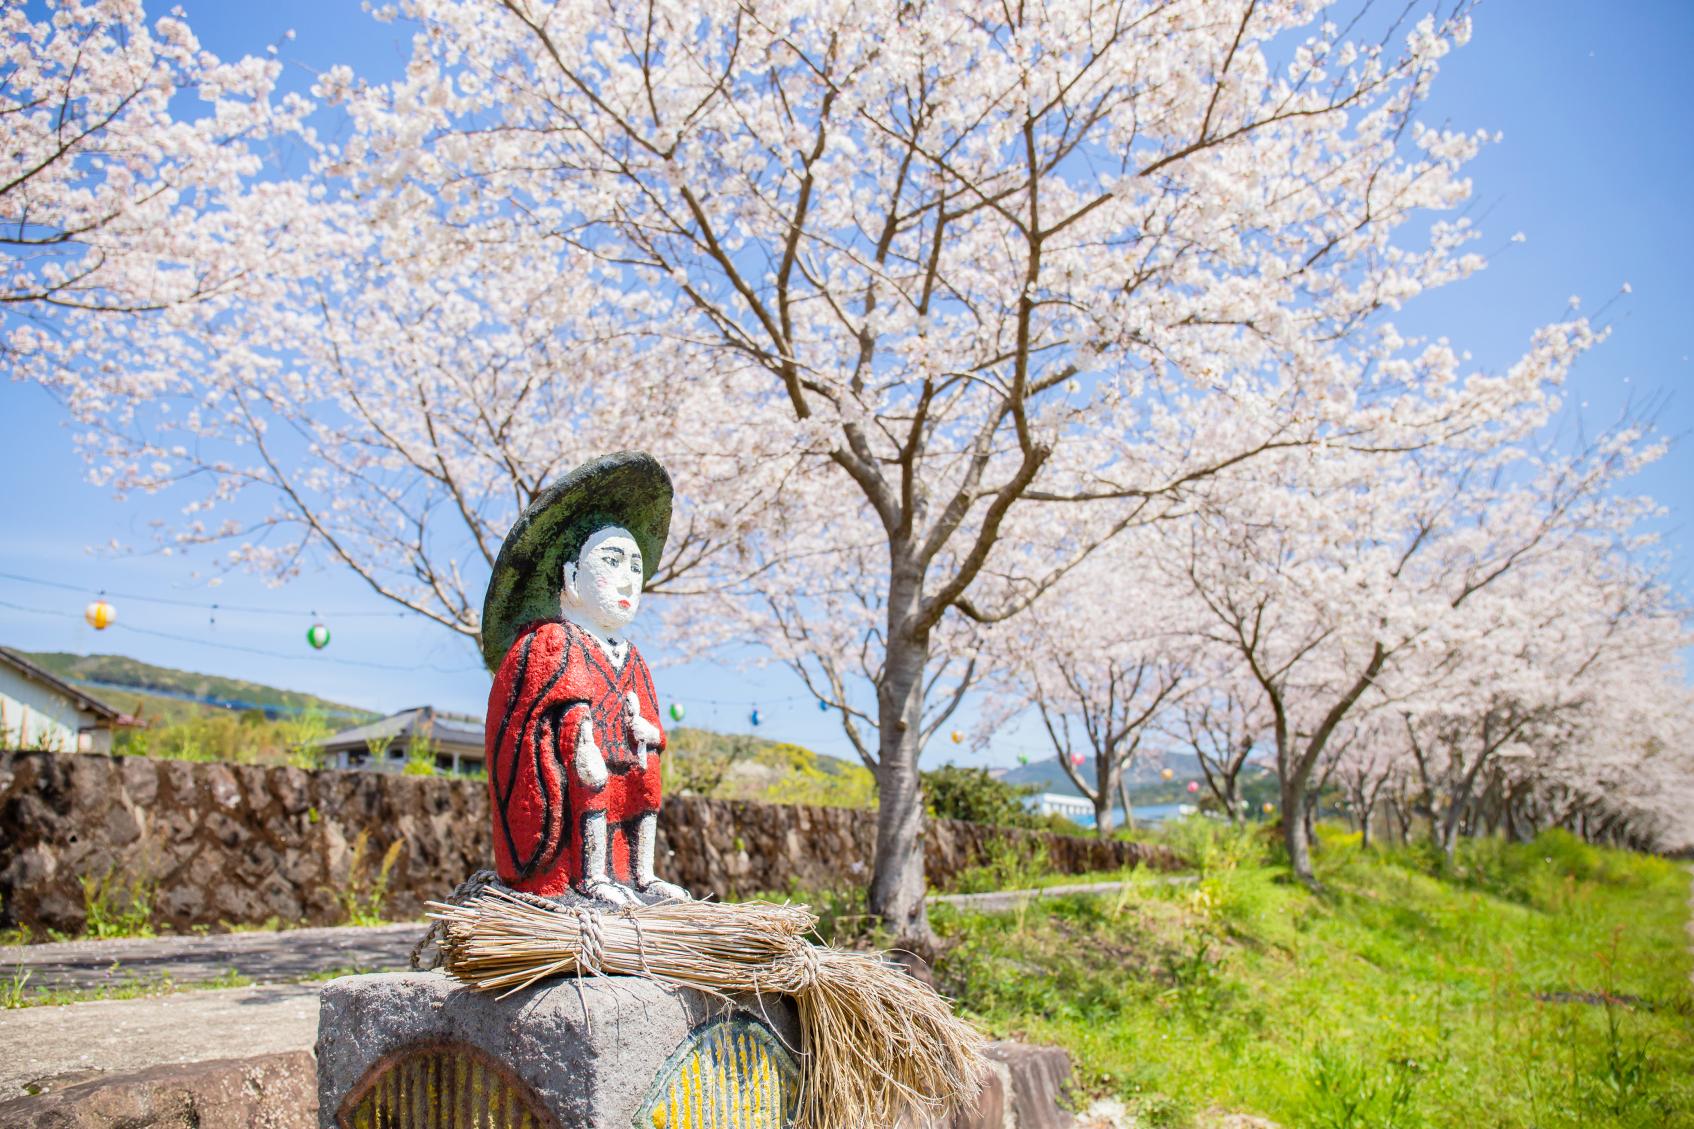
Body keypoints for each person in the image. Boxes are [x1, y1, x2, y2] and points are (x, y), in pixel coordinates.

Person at [480, 452, 691, 905]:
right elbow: (556, 717)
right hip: (584, 762)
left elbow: (653, 722)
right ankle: (589, 876)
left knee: (647, 776)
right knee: (590, 775)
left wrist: (649, 734)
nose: (628, 582)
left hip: (625, 756)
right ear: (571, 578)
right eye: (612, 562)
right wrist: (582, 744)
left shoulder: (630, 654)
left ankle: (640, 872)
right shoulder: (554, 641)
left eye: (636, 568)